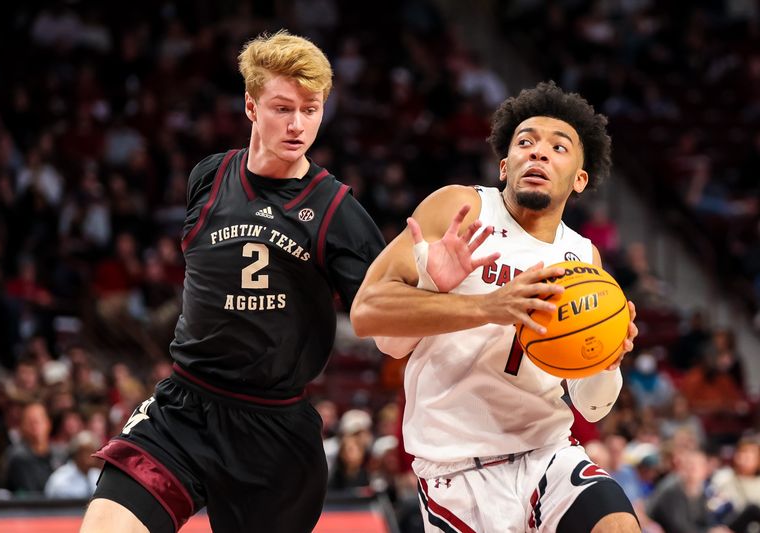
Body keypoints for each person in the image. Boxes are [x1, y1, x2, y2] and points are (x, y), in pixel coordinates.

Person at [81, 30, 385, 533]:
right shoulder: (209, 176)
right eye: (282, 108)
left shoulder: (339, 212)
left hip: (275, 432)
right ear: (250, 106)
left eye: (310, 110)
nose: (297, 124)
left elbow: (391, 333)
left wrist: (431, 289)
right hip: (186, 407)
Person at [351, 82, 640, 532]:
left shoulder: (583, 259)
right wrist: (454, 294)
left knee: (618, 525)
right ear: (505, 166)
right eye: (525, 142)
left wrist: (608, 361)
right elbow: (370, 317)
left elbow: (593, 408)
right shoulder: (463, 209)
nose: (538, 154)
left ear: (580, 178)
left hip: (548, 452)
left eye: (558, 147)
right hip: (455, 471)